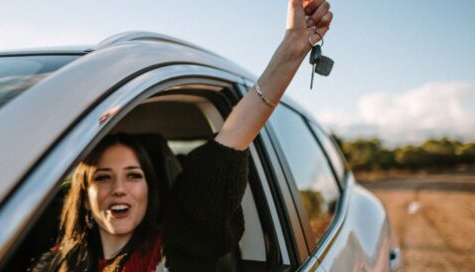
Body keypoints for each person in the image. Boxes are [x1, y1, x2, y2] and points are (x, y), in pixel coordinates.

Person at [31, 0, 333, 271]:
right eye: (103, 177)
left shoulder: (177, 254)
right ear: (85, 197)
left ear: (150, 191)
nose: (119, 189)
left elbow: (230, 142)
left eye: (133, 175)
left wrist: (292, 49)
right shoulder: (52, 264)